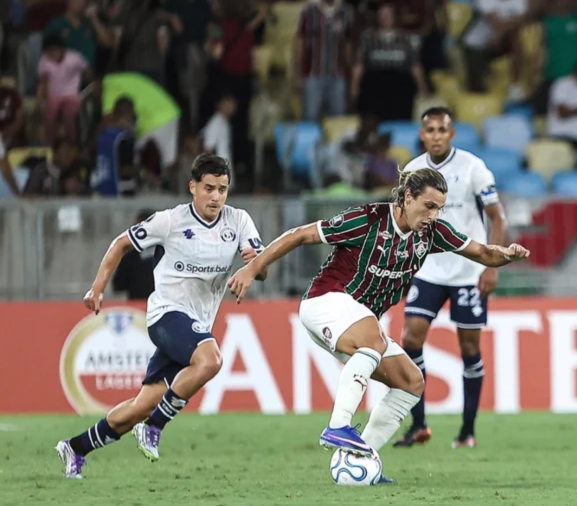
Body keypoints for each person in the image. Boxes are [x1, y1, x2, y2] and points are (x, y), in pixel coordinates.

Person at [226, 168, 528, 482]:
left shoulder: (432, 233)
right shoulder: (368, 219)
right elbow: (301, 234)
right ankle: (339, 426)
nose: (434, 215)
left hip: (358, 320)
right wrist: (252, 269)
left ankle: (360, 463)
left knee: (411, 381)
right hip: (325, 301)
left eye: (440, 208)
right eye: (429, 206)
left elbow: (481, 252)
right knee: (373, 341)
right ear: (408, 197)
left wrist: (506, 255)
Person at [55, 153, 268, 479]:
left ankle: (76, 448)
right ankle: (154, 428)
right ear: (192, 187)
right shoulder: (169, 221)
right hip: (166, 314)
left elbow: (258, 263)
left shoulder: (237, 221)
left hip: (196, 324)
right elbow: (120, 244)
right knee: (211, 360)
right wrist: (96, 289)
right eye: (209, 188)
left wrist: (253, 268)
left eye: (222, 189)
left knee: (142, 405)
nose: (216, 196)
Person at [392, 107, 508, 449]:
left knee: (469, 348)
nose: (437, 136)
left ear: (452, 134)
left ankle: (467, 431)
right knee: (410, 338)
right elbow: (401, 220)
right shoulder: (412, 171)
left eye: (443, 129)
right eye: (430, 130)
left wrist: (491, 264)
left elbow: (497, 218)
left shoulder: (472, 167)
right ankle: (419, 425)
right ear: (422, 134)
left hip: (468, 272)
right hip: (427, 270)